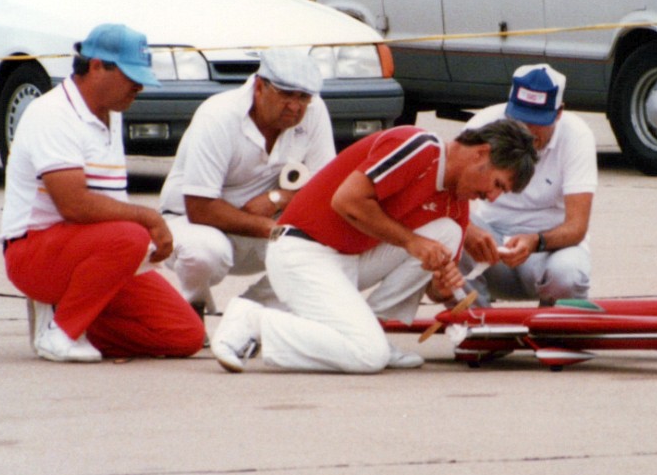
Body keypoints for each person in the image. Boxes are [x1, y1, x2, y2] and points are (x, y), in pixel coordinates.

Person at [209, 120, 537, 374]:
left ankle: (374, 328)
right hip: (302, 249)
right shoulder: (419, 146)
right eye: (497, 184)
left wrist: (442, 281)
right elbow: (347, 200)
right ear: (481, 153)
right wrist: (413, 242)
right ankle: (253, 321)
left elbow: (436, 295)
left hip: (347, 259)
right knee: (368, 356)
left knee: (451, 232)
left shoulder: (457, 206)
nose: (492, 198)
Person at [0, 23, 204, 363]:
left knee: (185, 335)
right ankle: (62, 333)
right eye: (130, 76)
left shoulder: (111, 112)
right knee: (130, 235)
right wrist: (149, 220)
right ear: (96, 67)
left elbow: (109, 206)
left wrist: (133, 255)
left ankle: (69, 320)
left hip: (89, 251)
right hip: (33, 253)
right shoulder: (53, 113)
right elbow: (73, 206)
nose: (138, 86)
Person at [158, 46, 335, 316]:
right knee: (203, 254)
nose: (295, 106)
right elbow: (200, 208)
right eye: (286, 94)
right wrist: (272, 229)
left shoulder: (315, 110)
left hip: (266, 225)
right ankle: (194, 305)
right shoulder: (217, 116)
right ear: (259, 87)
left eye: (303, 97)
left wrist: (279, 198)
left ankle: (250, 311)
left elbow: (326, 188)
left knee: (329, 247)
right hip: (192, 223)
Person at [461, 64, 596, 304]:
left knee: (568, 274)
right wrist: (471, 233)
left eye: (537, 121)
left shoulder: (577, 136)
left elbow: (577, 226)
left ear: (558, 112)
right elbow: (447, 191)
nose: (526, 130)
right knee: (450, 231)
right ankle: (475, 328)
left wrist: (536, 241)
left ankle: (554, 333)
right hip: (490, 245)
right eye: (520, 119)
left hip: (547, 252)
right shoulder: (483, 124)